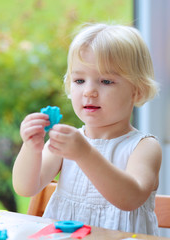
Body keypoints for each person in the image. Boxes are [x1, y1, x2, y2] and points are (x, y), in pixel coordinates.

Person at [12, 23, 162, 235]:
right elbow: (25, 187)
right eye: (80, 80)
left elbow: (130, 199)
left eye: (106, 81)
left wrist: (85, 154)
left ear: (137, 91)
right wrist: (31, 147)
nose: (89, 91)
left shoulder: (144, 147)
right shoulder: (67, 142)